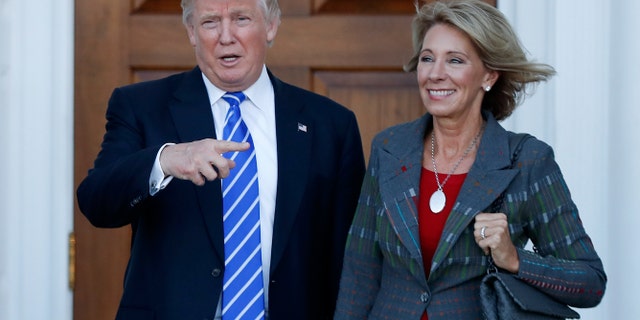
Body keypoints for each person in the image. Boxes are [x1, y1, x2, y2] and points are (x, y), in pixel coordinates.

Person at [76, 0, 366, 318]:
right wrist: (166, 159)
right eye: (211, 22)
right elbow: (96, 201)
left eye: (241, 19)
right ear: (191, 31)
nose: (226, 36)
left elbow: (351, 260)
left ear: (271, 26)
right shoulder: (141, 106)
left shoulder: (331, 125)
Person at [334, 0, 606, 319]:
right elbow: (360, 270)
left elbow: (590, 282)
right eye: (427, 58)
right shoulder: (389, 148)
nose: (436, 74)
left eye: (455, 60)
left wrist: (514, 258)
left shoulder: (528, 161)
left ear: (488, 75)